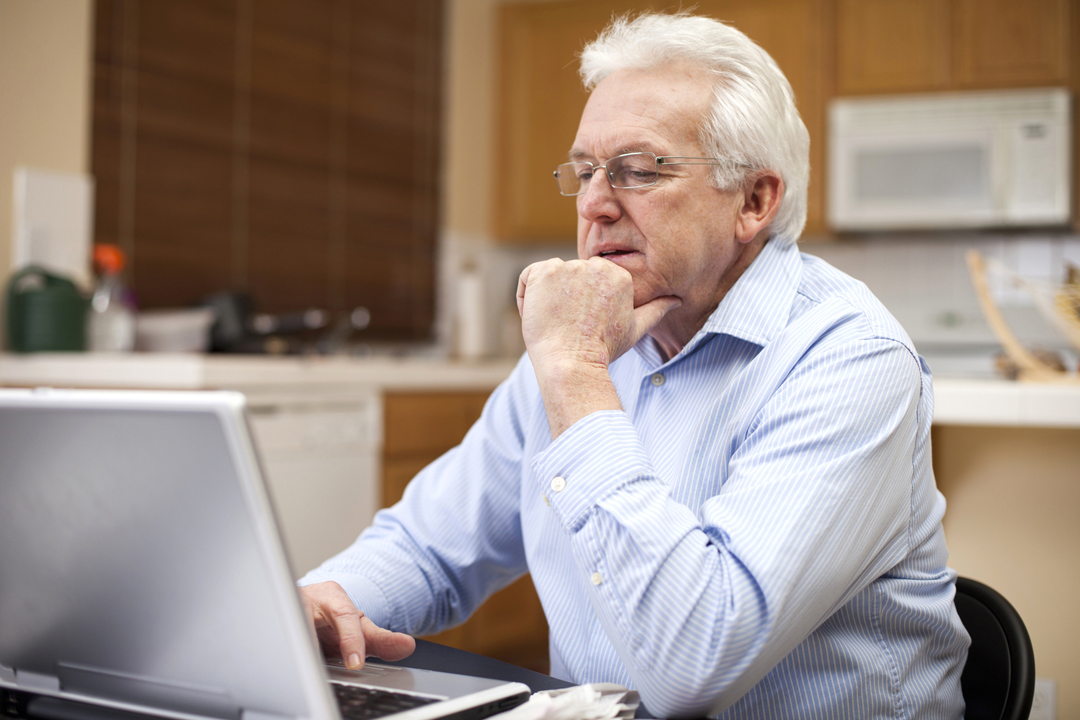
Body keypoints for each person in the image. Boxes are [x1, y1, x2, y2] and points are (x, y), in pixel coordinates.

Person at [299, 11, 969, 718]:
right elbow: (430, 545)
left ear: (754, 200)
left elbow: (692, 668)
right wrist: (325, 603)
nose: (592, 203)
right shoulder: (583, 339)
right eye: (585, 172)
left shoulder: (848, 359)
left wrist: (576, 374)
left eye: (637, 170)